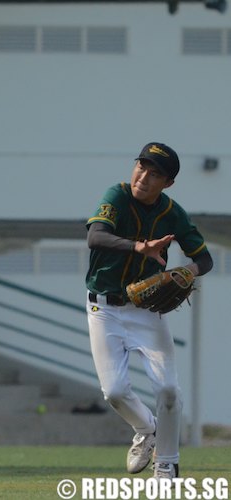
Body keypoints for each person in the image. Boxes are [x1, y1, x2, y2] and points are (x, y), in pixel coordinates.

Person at [85, 142, 213, 479]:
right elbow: (96, 237)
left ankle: (167, 462)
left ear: (168, 183)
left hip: (146, 310)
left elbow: (205, 258)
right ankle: (147, 429)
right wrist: (140, 247)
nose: (144, 176)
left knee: (168, 389)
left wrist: (189, 271)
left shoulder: (172, 213)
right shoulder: (118, 195)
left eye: (156, 173)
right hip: (104, 308)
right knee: (113, 391)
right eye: (142, 166)